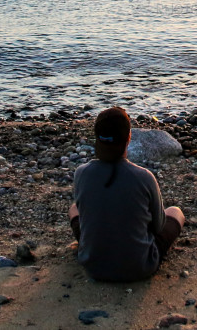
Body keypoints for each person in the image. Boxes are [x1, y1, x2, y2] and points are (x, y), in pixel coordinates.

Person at [69, 107, 185, 281]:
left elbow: (87, 216)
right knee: (175, 212)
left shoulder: (81, 173)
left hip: (94, 266)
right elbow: (158, 226)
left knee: (73, 209)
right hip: (140, 267)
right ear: (129, 137)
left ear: (97, 139)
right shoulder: (144, 177)